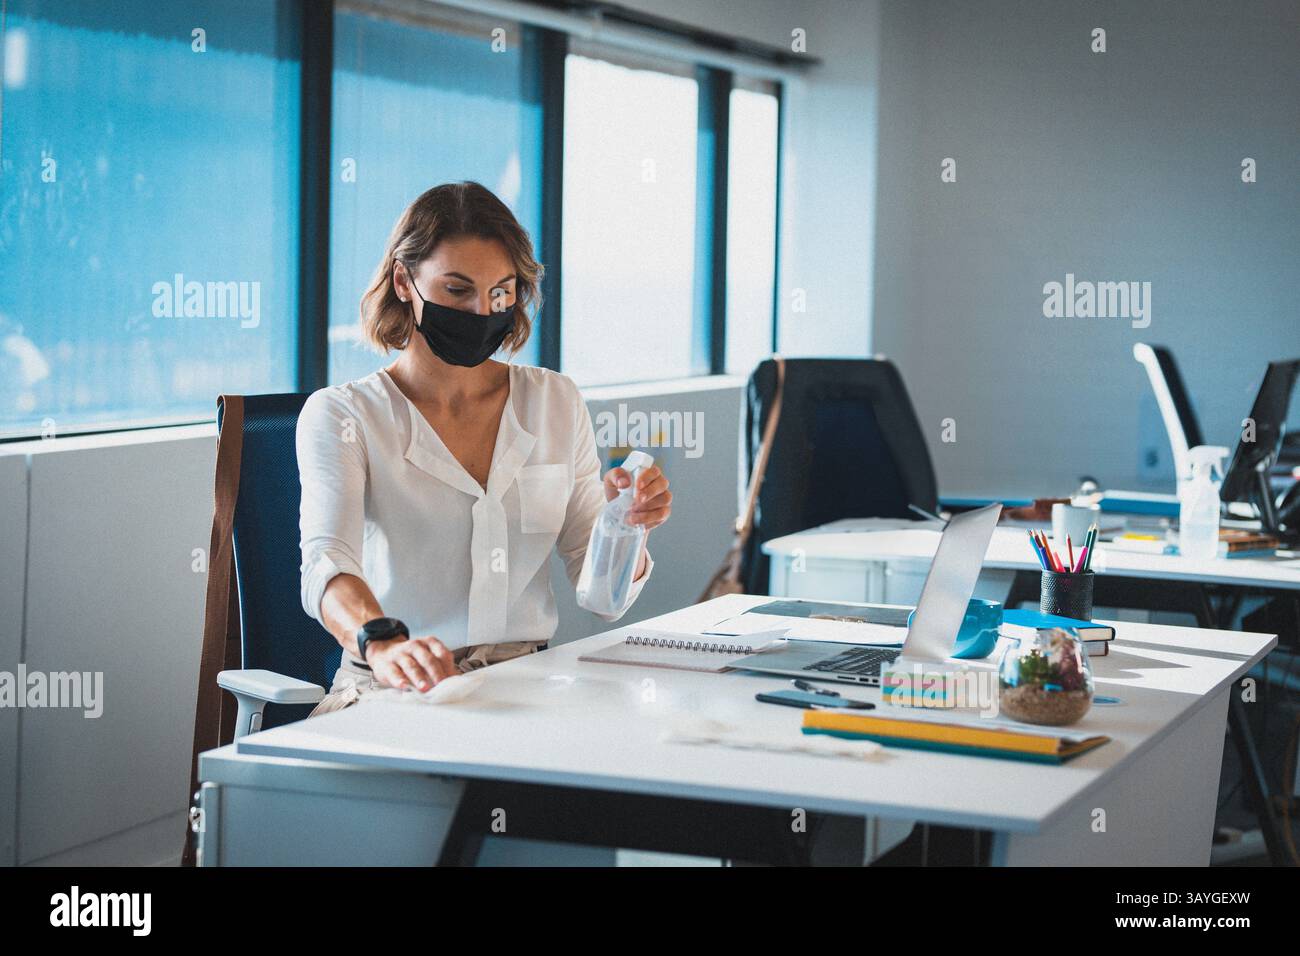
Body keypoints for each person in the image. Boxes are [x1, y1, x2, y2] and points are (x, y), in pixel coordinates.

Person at [297, 181, 672, 714]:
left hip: (531, 685)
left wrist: (624, 525)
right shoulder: (344, 414)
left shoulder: (555, 401)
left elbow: (600, 600)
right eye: (456, 290)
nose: (481, 311)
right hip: (397, 689)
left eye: (500, 292)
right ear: (405, 280)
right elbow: (327, 565)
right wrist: (382, 642)